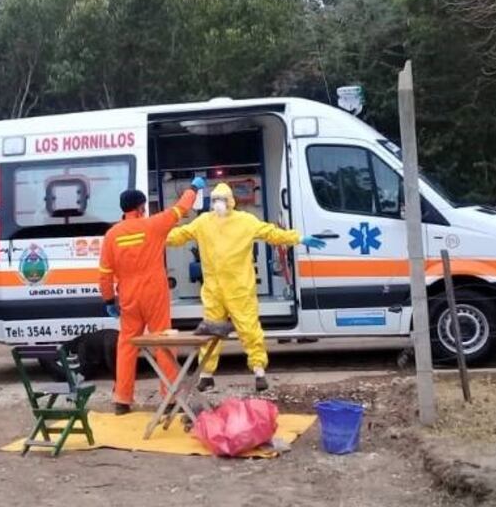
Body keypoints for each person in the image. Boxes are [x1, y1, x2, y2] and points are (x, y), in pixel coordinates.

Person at [167, 182, 326, 392]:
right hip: (214, 291)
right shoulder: (203, 222)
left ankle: (259, 371)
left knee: (250, 330)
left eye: (222, 200)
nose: (218, 204)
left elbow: (271, 233)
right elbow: (179, 235)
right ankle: (206, 374)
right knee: (209, 333)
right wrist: (154, 236)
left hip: (240, 289)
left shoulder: (245, 221)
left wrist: (298, 238)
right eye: (214, 200)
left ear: (231, 201)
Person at [99, 177, 206, 415]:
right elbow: (181, 208)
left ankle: (122, 400)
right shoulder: (153, 225)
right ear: (140, 208)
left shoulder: (111, 235)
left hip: (128, 297)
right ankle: (170, 398)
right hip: (154, 294)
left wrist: (108, 300)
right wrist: (194, 188)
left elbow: (105, 274)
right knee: (164, 344)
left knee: (126, 346)